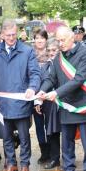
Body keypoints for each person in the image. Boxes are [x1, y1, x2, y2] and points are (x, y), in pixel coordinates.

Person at [38, 26, 86, 171]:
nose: (60, 43)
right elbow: (51, 78)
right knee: (67, 142)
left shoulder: (85, 54)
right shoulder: (58, 58)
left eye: (62, 40)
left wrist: (56, 93)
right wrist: (42, 90)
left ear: (73, 38)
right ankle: (69, 170)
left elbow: (78, 80)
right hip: (66, 105)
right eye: (58, 40)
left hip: (83, 105)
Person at [0, 19, 41, 171]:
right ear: (2, 35)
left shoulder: (27, 51)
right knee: (7, 137)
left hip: (21, 102)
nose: (11, 38)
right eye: (8, 35)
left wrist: (32, 88)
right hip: (2, 104)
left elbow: (35, 74)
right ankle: (11, 163)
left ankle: (24, 165)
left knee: (24, 138)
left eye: (14, 34)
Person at [35, 38, 61, 169]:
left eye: (54, 50)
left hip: (60, 102)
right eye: (49, 50)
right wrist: (38, 100)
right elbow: (40, 83)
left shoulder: (63, 64)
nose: (51, 53)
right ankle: (53, 157)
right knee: (50, 131)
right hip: (47, 103)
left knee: (64, 132)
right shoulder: (45, 65)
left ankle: (64, 158)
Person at [32, 29, 50, 164]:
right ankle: (43, 151)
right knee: (38, 125)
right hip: (34, 95)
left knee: (50, 124)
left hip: (49, 94)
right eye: (37, 38)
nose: (39, 41)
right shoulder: (30, 55)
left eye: (42, 38)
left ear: (46, 40)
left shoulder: (52, 53)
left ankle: (52, 150)